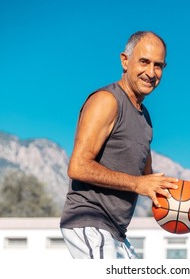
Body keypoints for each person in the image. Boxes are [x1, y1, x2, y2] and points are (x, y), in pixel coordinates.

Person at [60, 31, 178, 259]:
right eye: (144, 62)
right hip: (89, 222)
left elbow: (147, 178)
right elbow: (78, 167)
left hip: (116, 232)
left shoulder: (145, 119)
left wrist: (176, 201)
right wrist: (138, 184)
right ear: (125, 61)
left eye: (158, 65)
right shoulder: (107, 101)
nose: (151, 73)